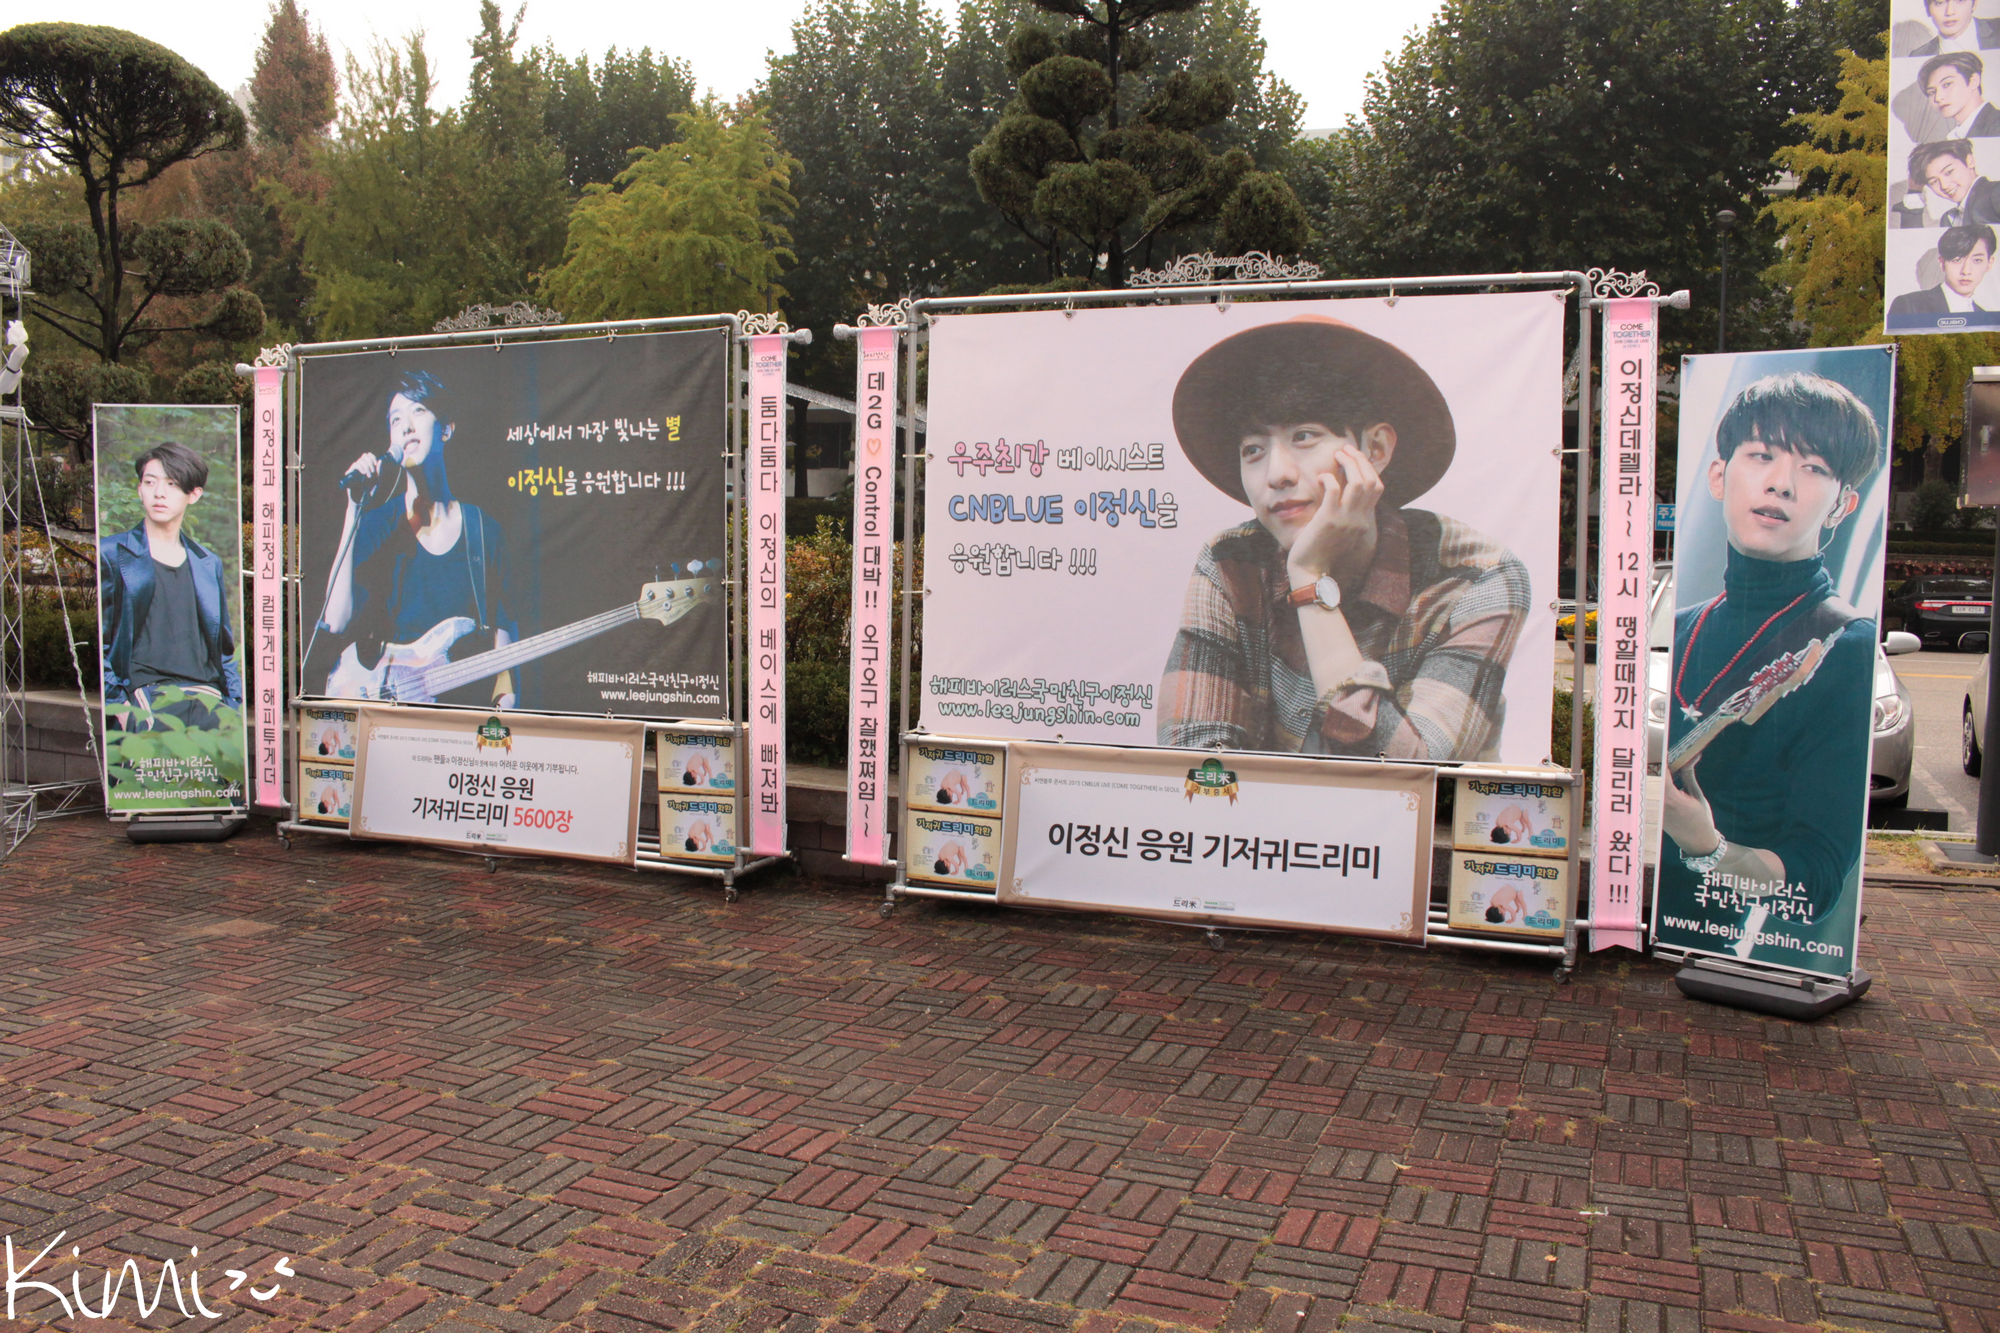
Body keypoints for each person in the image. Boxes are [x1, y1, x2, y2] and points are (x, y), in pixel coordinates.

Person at [1158, 318, 1531, 760]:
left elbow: (1413, 769)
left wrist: (1309, 579)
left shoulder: (1477, 576)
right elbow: (1193, 756)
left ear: (1375, 450)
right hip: (1269, 809)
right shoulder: (1231, 562)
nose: (1276, 474)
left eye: (1304, 436)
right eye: (1253, 449)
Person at [1660, 372, 1882, 943]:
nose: (1781, 483)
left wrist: (1706, 846)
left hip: (1732, 942)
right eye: (1762, 455)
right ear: (1719, 476)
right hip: (1641, 924)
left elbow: (1818, 879)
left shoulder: (1844, 643)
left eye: (1814, 468)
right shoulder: (1681, 625)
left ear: (1843, 505)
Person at [319, 370, 517, 708]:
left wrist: (504, 707)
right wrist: (354, 509)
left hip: (458, 711)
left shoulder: (485, 531)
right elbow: (335, 621)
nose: (406, 426)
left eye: (419, 410)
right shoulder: (378, 525)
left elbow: (504, 639)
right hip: (388, 709)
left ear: (447, 429)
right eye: (395, 419)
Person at [99, 441, 243, 733]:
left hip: (207, 702)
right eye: (150, 482)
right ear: (139, 489)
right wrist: (119, 705)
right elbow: (99, 641)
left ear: (194, 494)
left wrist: (233, 706)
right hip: (144, 700)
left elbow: (223, 647)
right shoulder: (112, 553)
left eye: (172, 484)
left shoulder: (207, 563)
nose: (159, 493)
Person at [1888, 223, 2000, 327]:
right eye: (1957, 260)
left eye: (1977, 260)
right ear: (1942, 263)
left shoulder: (1988, 319)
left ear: (1989, 263)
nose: (1966, 271)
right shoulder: (1909, 305)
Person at [1911, 140, 2000, 225]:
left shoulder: (1995, 192)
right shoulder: (1948, 218)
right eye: (1934, 181)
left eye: (1949, 172)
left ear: (1970, 161)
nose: (1944, 185)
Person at [1919, 51, 2000, 138]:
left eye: (1947, 84)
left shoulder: (1995, 124)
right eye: (1931, 92)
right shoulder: (1956, 134)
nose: (1938, 98)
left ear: (1973, 81)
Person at [1903, 0, 2000, 55]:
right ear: (1928, 9)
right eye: (1939, 3)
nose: (1949, 12)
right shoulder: (1918, 55)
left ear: (1974, 4)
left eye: (1960, 0)